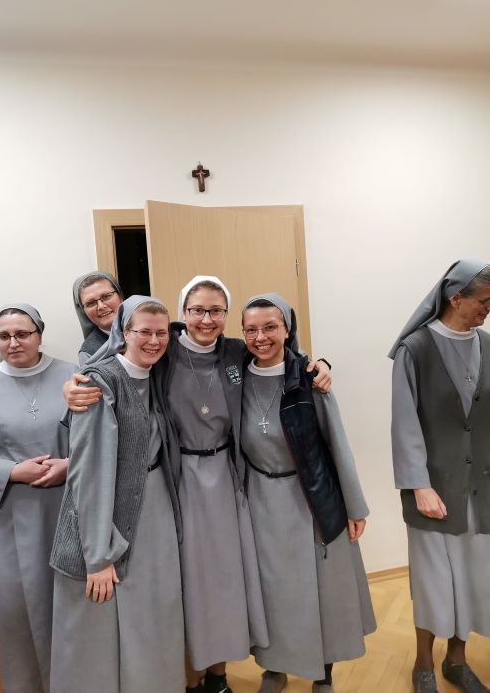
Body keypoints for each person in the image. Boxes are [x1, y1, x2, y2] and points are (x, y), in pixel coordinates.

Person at [64, 275, 332, 693]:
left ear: (226, 314)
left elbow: (280, 352)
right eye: (197, 310)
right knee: (183, 581)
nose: (206, 319)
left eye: (216, 311)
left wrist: (319, 364)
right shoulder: (164, 348)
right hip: (176, 479)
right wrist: (74, 384)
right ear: (183, 313)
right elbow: (114, 361)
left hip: (226, 477)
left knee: (223, 578)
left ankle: (218, 671)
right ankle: (189, 675)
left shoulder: (235, 351)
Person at [240, 293, 375, 693]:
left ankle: (322, 672)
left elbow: (337, 442)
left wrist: (354, 506)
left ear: (287, 329)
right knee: (271, 591)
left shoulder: (309, 377)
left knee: (322, 591)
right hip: (259, 500)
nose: (261, 337)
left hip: (310, 497)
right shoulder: (235, 375)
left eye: (270, 327)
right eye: (251, 329)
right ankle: (274, 667)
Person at [50, 295, 185, 693]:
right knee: (104, 625)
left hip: (155, 508)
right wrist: (97, 556)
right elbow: (88, 473)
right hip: (108, 514)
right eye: (144, 332)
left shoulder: (156, 373)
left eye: (161, 333)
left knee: (153, 614)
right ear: (123, 334)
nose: (154, 341)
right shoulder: (99, 382)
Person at [389, 259, 490, 693]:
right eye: (484, 300)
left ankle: (456, 660)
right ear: (456, 298)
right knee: (432, 582)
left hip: (481, 488)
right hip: (432, 488)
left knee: (472, 576)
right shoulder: (415, 349)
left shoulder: (487, 345)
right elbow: (404, 423)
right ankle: (423, 664)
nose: (488, 308)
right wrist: (419, 485)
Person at [0, 304, 76, 693]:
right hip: (3, 519)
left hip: (64, 509)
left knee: (66, 608)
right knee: (9, 612)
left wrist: (69, 464)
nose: (13, 343)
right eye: (4, 336)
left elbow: (97, 437)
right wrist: (13, 471)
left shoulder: (72, 375)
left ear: (39, 334)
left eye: (22, 334)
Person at [72, 270, 123, 365]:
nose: (101, 306)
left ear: (120, 297)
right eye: (91, 303)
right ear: (83, 311)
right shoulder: (88, 353)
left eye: (106, 296)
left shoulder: (148, 328)